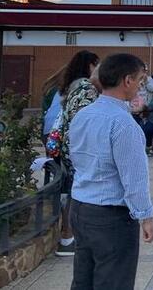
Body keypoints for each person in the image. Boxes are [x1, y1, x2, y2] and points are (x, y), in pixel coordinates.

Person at [67, 53, 153, 290]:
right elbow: (134, 178)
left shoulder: (82, 116)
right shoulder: (123, 124)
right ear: (127, 81)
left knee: (83, 279)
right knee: (113, 281)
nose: (140, 86)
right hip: (110, 216)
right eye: (139, 80)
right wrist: (145, 216)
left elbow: (74, 157)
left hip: (80, 208)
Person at [53, 51, 101, 257]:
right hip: (80, 150)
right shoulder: (86, 88)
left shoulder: (71, 86)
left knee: (74, 189)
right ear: (90, 66)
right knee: (77, 192)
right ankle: (68, 237)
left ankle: (70, 235)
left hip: (69, 147)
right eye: (97, 66)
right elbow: (85, 121)